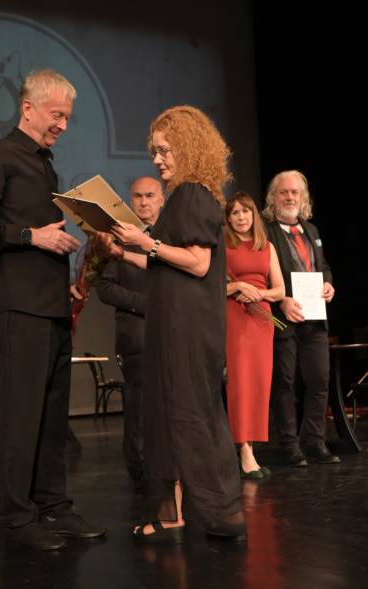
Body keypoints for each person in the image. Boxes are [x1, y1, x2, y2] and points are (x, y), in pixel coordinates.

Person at [0, 68, 106, 550]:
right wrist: (30, 236)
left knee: (51, 419)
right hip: (18, 310)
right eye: (56, 114)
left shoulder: (45, 164)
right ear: (27, 108)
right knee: (19, 419)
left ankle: (53, 507)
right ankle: (18, 519)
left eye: (68, 117)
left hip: (52, 307)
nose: (63, 124)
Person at [103, 105, 246, 544]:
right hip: (175, 319)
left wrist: (143, 241)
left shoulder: (193, 194)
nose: (158, 159)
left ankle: (222, 513)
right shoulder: (186, 195)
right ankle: (173, 513)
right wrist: (123, 252)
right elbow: (168, 265)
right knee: (172, 414)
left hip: (189, 324)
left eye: (165, 150)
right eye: (155, 151)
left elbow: (198, 263)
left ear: (188, 147)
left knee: (192, 414)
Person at [263, 170, 339, 466]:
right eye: (283, 192)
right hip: (283, 318)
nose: (289, 197)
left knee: (319, 380)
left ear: (303, 197)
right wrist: (281, 299)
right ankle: (290, 445)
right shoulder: (265, 231)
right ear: (273, 198)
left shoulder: (312, 230)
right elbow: (260, 273)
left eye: (295, 192)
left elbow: (324, 267)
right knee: (284, 383)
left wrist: (328, 283)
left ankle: (315, 442)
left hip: (315, 318)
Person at [97, 177, 164, 491]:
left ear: (162, 199)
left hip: (171, 334)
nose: (144, 201)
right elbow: (105, 288)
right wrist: (147, 304)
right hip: (136, 334)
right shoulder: (120, 238)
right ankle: (140, 471)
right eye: (137, 196)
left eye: (150, 195)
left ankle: (166, 466)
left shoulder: (170, 238)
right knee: (139, 406)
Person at [224, 191, 285, 478]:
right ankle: (244, 452)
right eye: (234, 213)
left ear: (253, 215)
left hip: (262, 318)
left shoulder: (267, 247)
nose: (241, 217)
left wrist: (259, 293)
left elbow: (280, 291)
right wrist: (238, 287)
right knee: (240, 383)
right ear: (228, 218)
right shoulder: (223, 245)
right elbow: (212, 288)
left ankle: (251, 448)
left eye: (245, 211)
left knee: (259, 383)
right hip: (234, 316)